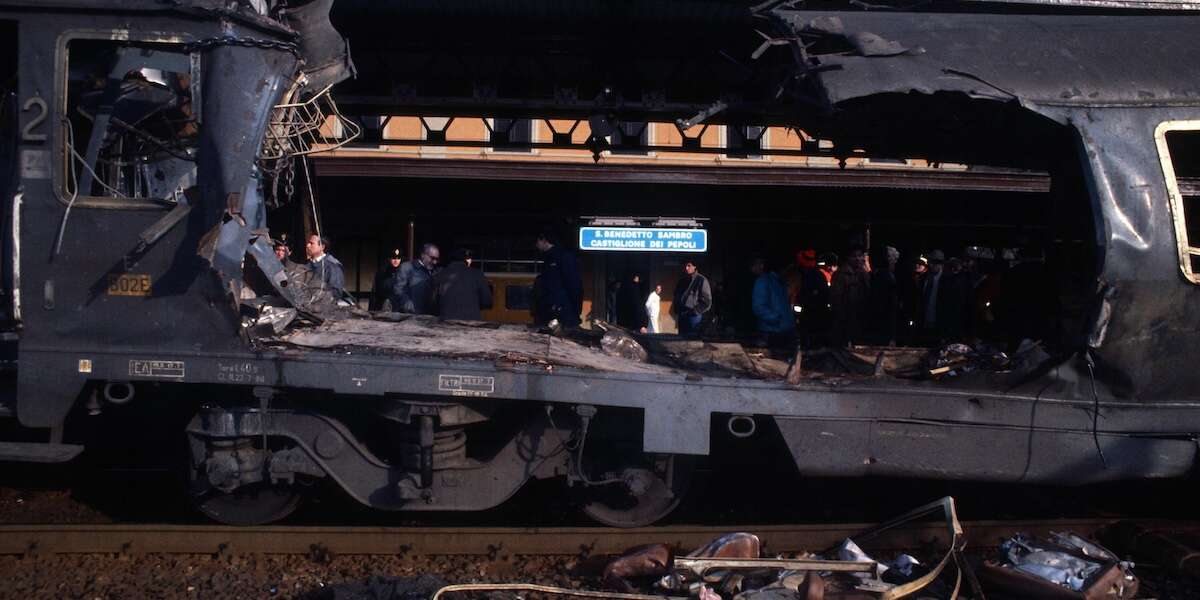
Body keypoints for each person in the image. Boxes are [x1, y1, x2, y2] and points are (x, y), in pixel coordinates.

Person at [534, 231, 583, 327]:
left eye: (537, 242)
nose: (536, 245)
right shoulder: (553, 258)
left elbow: (574, 285)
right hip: (558, 309)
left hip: (562, 310)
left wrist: (574, 309)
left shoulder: (561, 257)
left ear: (544, 240)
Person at [432, 248, 493, 321]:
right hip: (472, 324)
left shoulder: (439, 275)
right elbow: (487, 302)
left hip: (446, 324)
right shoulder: (478, 274)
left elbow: (432, 304)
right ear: (465, 260)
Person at [750, 258, 795, 350]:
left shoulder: (781, 283)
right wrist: (776, 319)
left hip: (785, 330)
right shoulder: (763, 281)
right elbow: (759, 307)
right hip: (771, 332)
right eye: (787, 269)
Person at [829, 247, 871, 348]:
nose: (857, 259)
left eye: (859, 256)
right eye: (854, 256)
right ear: (848, 258)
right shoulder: (840, 275)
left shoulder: (864, 274)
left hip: (860, 317)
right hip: (845, 318)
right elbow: (836, 298)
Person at [392, 243, 439, 314]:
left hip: (428, 319)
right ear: (423, 255)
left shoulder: (435, 272)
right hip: (409, 317)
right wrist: (411, 309)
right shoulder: (406, 268)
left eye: (437, 259)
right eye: (432, 258)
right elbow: (398, 291)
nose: (435, 262)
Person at [868, 246, 901, 346]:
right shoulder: (886, 276)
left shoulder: (881, 274)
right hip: (883, 323)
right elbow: (890, 305)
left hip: (879, 322)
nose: (895, 262)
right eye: (893, 259)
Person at [672, 260, 712, 339]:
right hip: (682, 315)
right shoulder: (682, 280)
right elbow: (676, 295)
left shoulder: (701, 280)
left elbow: (707, 302)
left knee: (692, 341)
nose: (686, 268)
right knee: (681, 340)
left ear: (694, 266)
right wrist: (677, 308)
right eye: (685, 266)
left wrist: (695, 311)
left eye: (689, 265)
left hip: (693, 317)